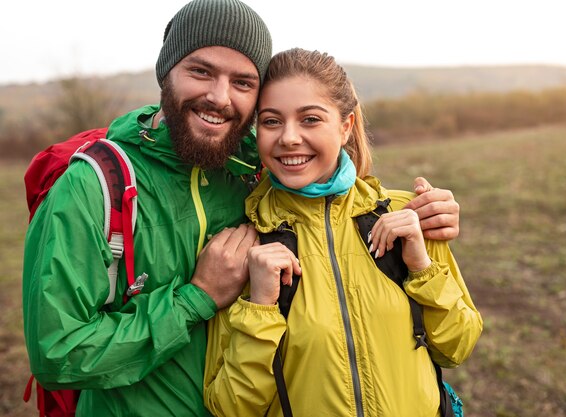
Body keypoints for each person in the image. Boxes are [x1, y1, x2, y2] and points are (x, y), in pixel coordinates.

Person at [22, 1, 460, 417]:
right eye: (200, 71)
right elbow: (58, 353)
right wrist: (198, 298)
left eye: (242, 83)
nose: (219, 97)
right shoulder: (94, 185)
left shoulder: (253, 169)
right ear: (165, 73)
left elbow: (328, 194)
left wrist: (430, 211)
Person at [202, 48, 483, 417]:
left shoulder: (406, 217)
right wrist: (259, 308)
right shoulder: (246, 246)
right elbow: (230, 408)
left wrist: (421, 267)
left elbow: (457, 347)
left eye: (310, 119)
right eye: (271, 122)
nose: (288, 138)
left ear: (345, 125)